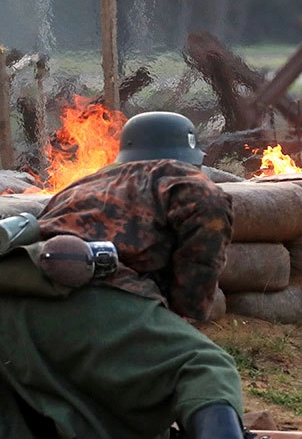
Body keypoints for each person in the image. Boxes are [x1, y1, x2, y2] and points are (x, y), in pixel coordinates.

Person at [0, 111, 247, 439]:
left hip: (15, 293)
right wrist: (185, 312)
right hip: (85, 285)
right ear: (189, 157)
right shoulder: (177, 176)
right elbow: (207, 221)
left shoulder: (80, 186)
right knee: (204, 368)